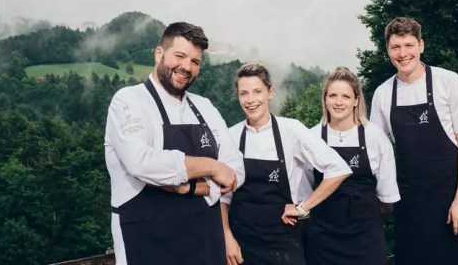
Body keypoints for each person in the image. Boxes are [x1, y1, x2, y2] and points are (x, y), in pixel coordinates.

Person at [105, 22, 245, 265]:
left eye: (195, 62)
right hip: (149, 245)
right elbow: (141, 163)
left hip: (205, 244)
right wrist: (212, 167)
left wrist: (193, 188)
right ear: (159, 54)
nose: (186, 67)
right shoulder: (128, 100)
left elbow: (235, 170)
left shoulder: (205, 106)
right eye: (179, 56)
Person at [370, 17, 458, 265]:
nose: (403, 53)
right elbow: (376, 155)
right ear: (388, 51)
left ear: (421, 45)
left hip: (452, 203)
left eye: (409, 45)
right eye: (396, 47)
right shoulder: (383, 94)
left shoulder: (448, 81)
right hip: (410, 209)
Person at [221, 63, 351, 265]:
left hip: (283, 243)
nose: (250, 100)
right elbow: (223, 197)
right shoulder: (231, 136)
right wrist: (227, 237)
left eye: (257, 92)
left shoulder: (291, 130)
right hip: (241, 243)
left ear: (270, 92)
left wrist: (303, 207)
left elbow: (338, 168)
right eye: (243, 93)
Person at [306, 66, 400, 265]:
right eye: (333, 95)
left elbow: (386, 194)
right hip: (324, 237)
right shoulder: (312, 137)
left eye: (346, 97)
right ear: (325, 98)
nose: (338, 102)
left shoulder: (375, 137)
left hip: (365, 237)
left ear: (356, 100)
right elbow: (305, 189)